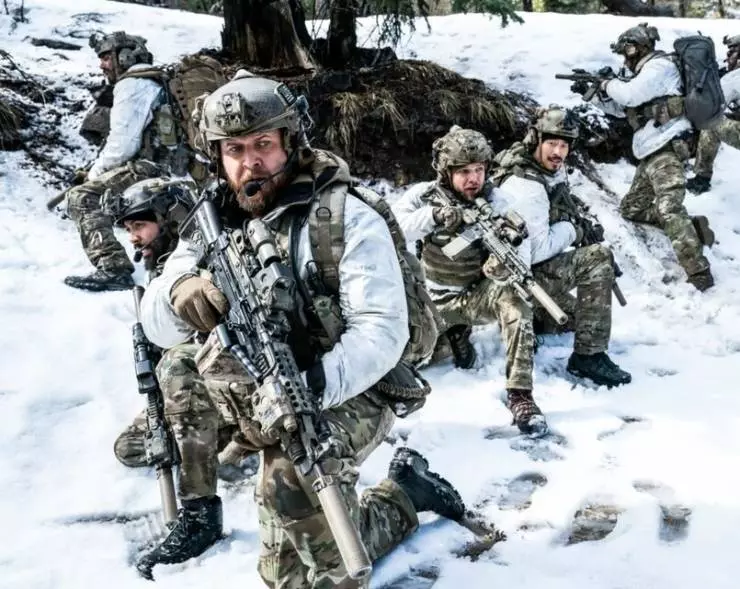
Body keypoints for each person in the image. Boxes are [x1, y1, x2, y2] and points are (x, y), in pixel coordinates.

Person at [136, 70, 465, 585]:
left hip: (349, 384)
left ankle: (403, 496)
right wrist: (180, 289)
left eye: (263, 144)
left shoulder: (345, 217)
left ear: (290, 142)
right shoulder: (213, 218)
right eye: (234, 149)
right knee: (178, 366)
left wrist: (307, 391)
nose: (250, 161)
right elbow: (156, 322)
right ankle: (200, 511)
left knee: (297, 518)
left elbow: (380, 333)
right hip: (258, 381)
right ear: (217, 155)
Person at [393, 125, 548, 436]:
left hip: (474, 296)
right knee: (403, 363)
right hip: (429, 302)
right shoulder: (423, 195)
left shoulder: (500, 202)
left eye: (479, 170)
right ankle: (452, 335)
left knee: (515, 299)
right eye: (464, 171)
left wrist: (500, 268)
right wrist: (434, 216)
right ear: (446, 171)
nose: (473, 178)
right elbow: (393, 227)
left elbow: (522, 253)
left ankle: (520, 395)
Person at [493, 107, 631, 388]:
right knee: (598, 257)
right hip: (515, 281)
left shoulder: (542, 169)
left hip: (522, 275)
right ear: (536, 139)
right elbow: (534, 251)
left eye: (564, 145)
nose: (558, 152)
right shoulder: (526, 186)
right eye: (552, 143)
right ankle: (588, 357)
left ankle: (535, 318)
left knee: (580, 318)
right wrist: (572, 230)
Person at [590, 23, 715, 291]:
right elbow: (623, 109)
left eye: (626, 51)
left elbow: (630, 95)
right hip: (650, 150)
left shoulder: (659, 66)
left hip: (668, 145)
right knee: (632, 209)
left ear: (636, 48)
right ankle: (688, 228)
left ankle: (699, 272)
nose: (625, 58)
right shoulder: (645, 74)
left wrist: (606, 83)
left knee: (669, 208)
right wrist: (594, 96)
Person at [64, 31, 190, 292]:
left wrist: (92, 176)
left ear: (124, 56)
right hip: (172, 168)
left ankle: (113, 267)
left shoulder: (132, 84)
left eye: (106, 57)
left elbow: (122, 146)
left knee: (81, 196)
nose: (101, 64)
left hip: (151, 168)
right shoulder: (152, 79)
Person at [688, 34, 740, 194]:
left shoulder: (735, 77)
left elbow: (716, 102)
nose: (728, 58)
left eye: (731, 53)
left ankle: (701, 178)